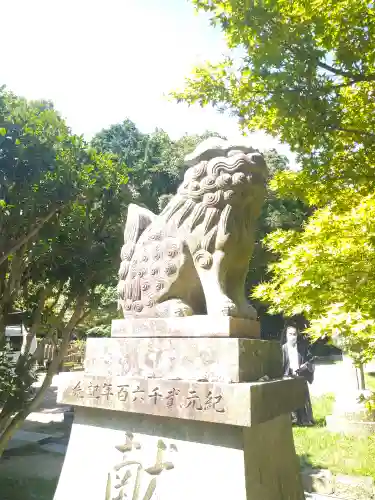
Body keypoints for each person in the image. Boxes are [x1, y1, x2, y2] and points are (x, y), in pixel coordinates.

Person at [281, 324, 315, 426]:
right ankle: (292, 419)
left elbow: (310, 360)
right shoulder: (283, 349)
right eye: (290, 334)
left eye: (294, 334)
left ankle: (305, 419)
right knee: (289, 400)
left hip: (300, 376)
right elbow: (280, 365)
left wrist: (305, 366)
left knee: (303, 399)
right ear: (286, 335)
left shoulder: (302, 348)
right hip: (288, 377)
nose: (292, 336)